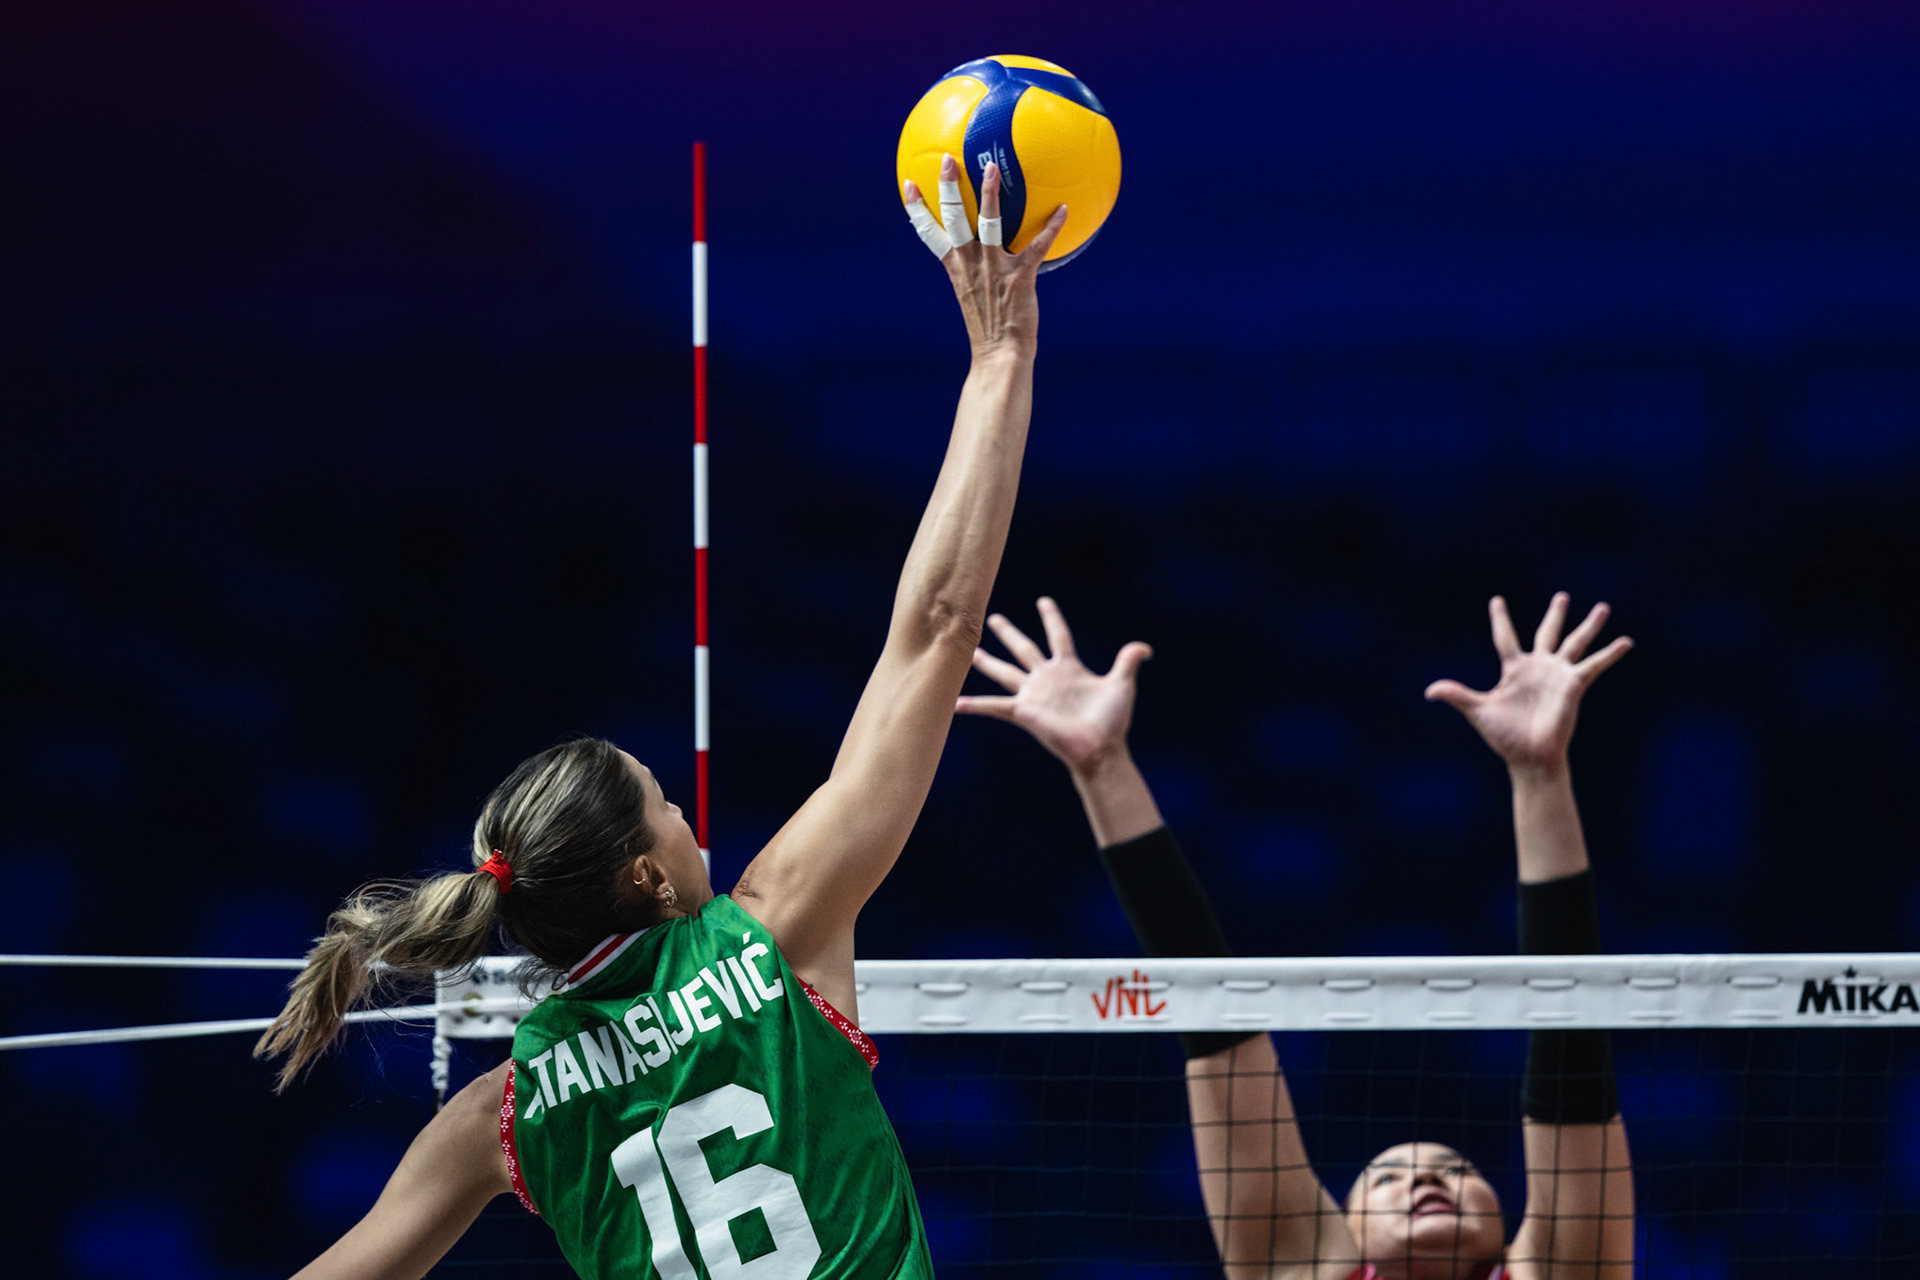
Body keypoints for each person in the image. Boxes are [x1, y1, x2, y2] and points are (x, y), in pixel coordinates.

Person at [253, 157, 1068, 1280]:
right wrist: (1000, 359)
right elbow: (935, 626)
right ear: (646, 876)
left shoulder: (503, 1112)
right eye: (669, 806)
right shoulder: (774, 930)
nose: (693, 819)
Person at [957, 594, 1637, 1280]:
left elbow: (1570, 1039)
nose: (1426, 1182)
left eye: (1455, 1170)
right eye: (1388, 1178)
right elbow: (1220, 1031)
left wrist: (1542, 776)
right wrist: (1102, 766)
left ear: (1503, 1222)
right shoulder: (1301, 1266)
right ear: (1346, 1230)